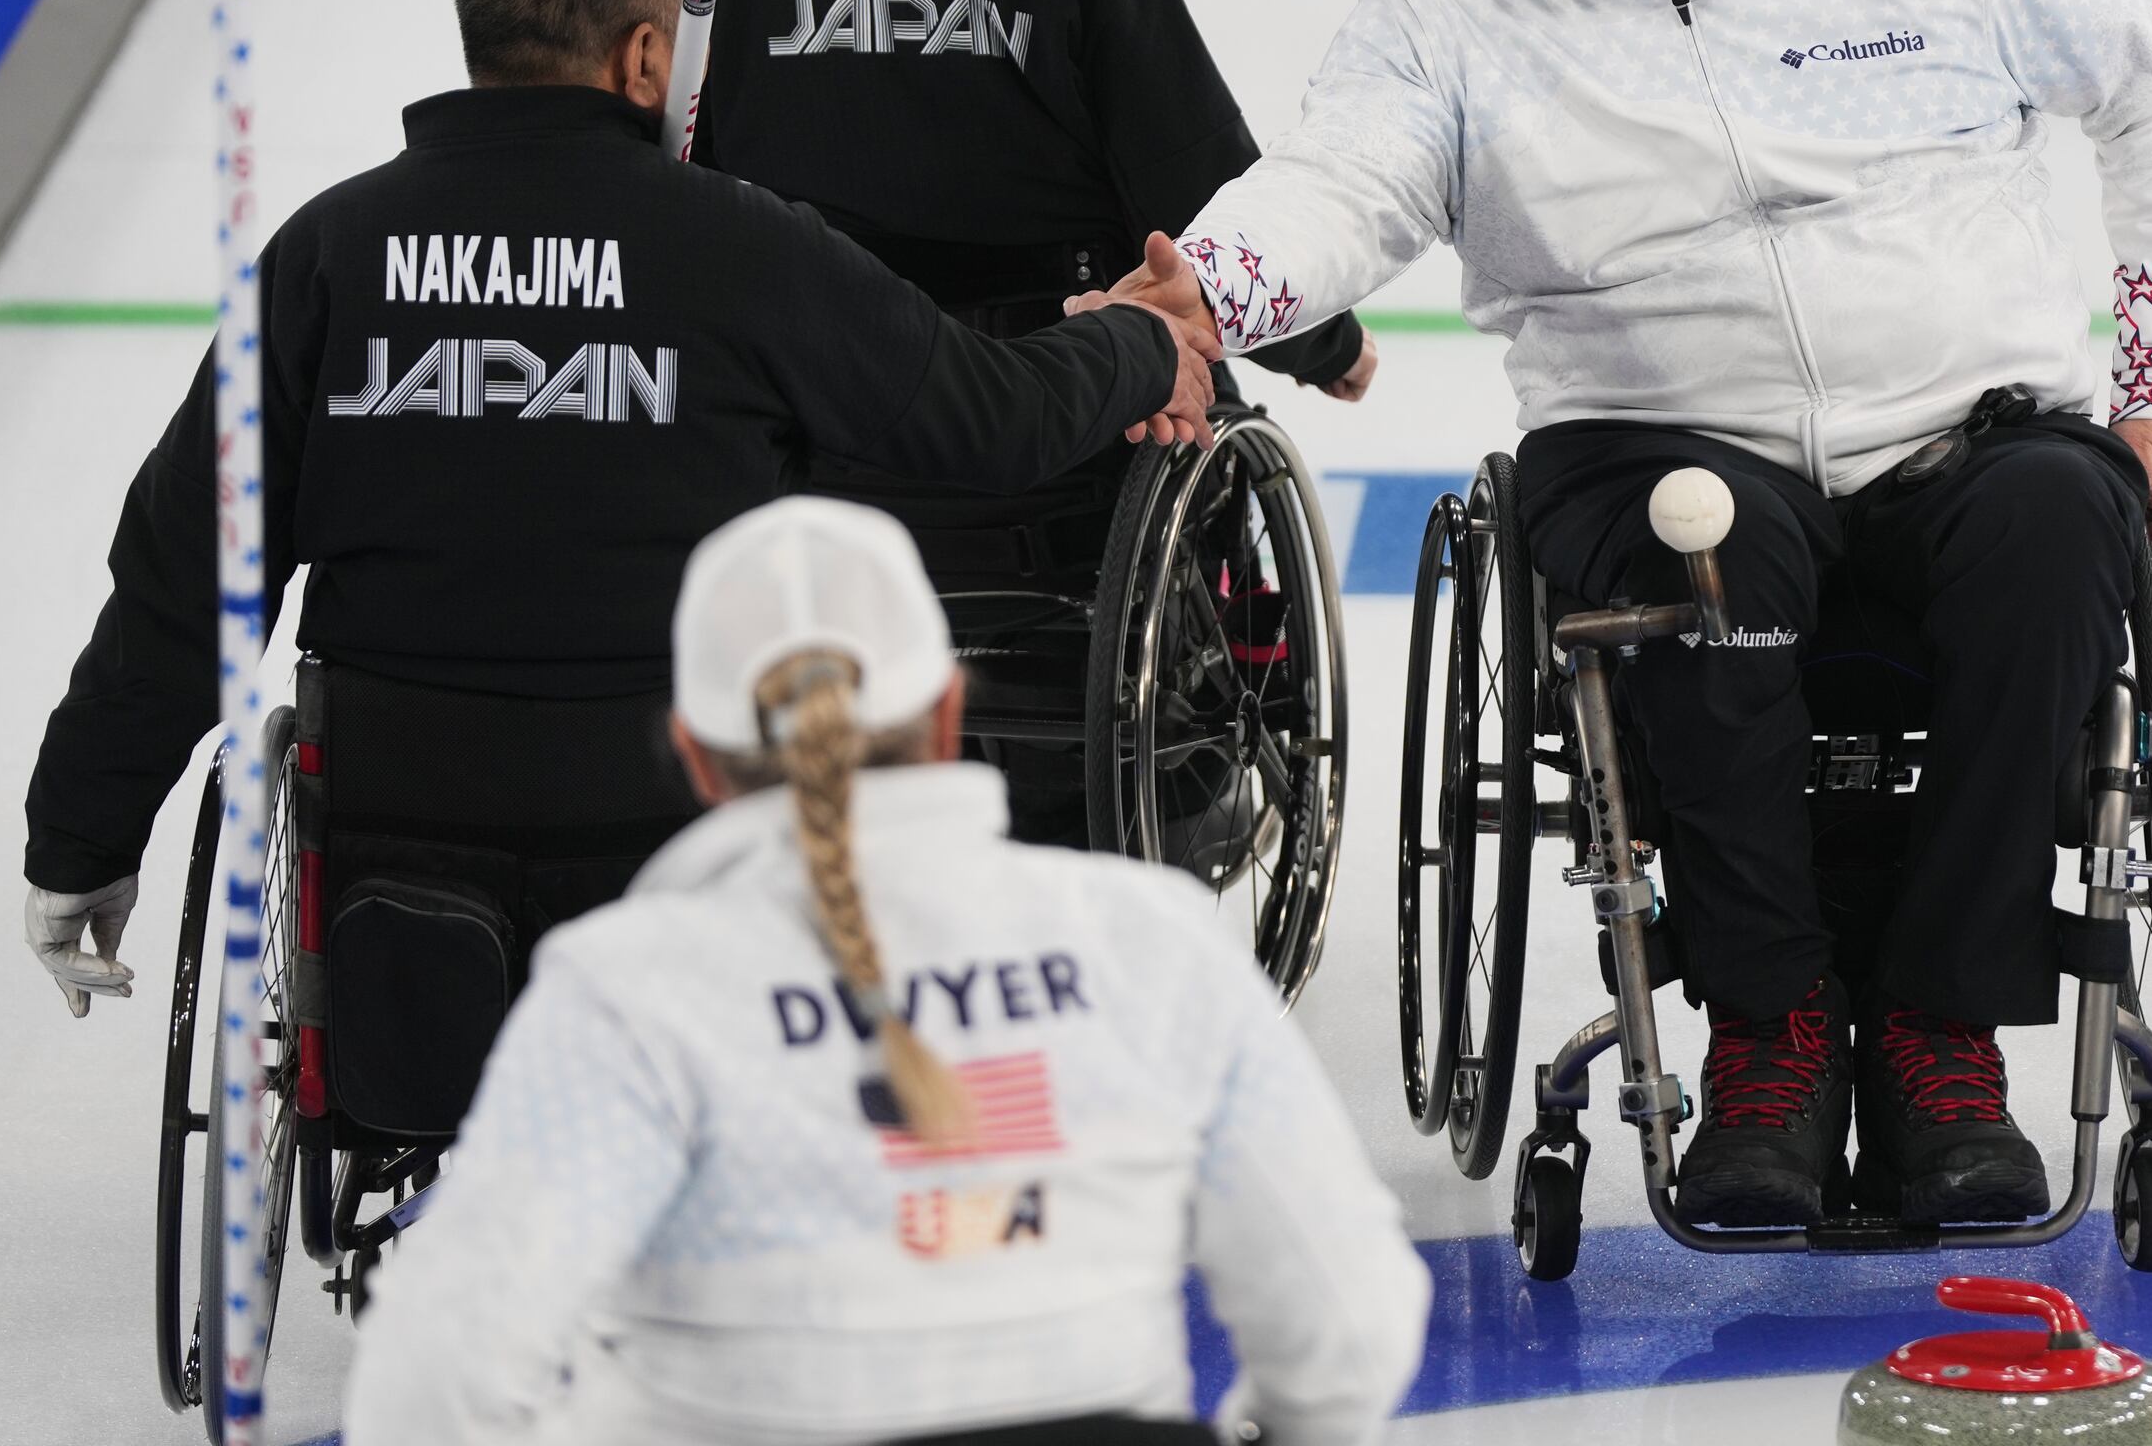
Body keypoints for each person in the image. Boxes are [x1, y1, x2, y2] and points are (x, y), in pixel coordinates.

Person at [1124, 0, 2152, 1231]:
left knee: (2063, 523)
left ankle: (1939, 1035)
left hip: (1967, 438)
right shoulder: (1449, 16)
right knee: (1706, 548)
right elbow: (1340, 187)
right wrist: (1209, 289)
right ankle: (1771, 1036)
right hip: (1656, 444)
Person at [20, 0, 1217, 1064]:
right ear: (646, 57)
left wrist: (80, 838)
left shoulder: (327, 257)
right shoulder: (742, 250)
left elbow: (182, 581)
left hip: (400, 853)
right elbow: (985, 417)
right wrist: (1134, 345)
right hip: (685, 864)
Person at [344, 495, 1428, 1445]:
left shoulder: (629, 991)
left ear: (693, 756)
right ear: (951, 713)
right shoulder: (1151, 938)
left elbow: (435, 1385)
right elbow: (1352, 1324)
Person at [677, 0, 1372, 841]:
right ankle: (1200, 759)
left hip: (784, 409)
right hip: (1043, 407)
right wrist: (1325, 337)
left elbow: (654, 172)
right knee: (1202, 400)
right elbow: (1199, 196)